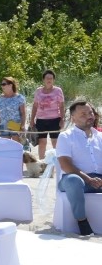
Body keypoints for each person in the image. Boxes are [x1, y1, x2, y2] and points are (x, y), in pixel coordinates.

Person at [56, 99, 102, 236]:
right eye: (83, 114)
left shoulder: (100, 136)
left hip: (98, 179)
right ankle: (82, 223)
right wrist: (89, 179)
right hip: (75, 180)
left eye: (90, 112)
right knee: (73, 181)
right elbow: (65, 164)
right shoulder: (65, 136)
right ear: (73, 118)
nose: (89, 116)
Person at [31, 69, 65, 160]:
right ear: (43, 79)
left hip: (54, 119)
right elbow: (35, 106)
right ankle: (42, 163)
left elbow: (61, 106)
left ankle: (58, 162)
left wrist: (62, 119)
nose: (49, 80)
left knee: (55, 142)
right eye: (47, 78)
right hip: (41, 120)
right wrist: (31, 120)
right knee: (42, 142)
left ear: (54, 80)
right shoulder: (38, 91)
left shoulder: (58, 90)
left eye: (51, 78)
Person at [0, 76, 26, 141]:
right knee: (5, 147)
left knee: (15, 145)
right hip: (3, 125)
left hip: (15, 124)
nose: (2, 86)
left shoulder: (19, 98)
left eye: (4, 84)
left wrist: (22, 126)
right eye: (1, 84)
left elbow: (23, 113)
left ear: (10, 85)